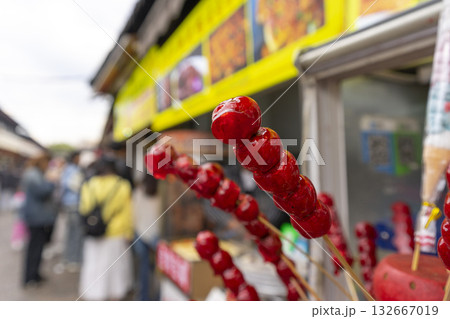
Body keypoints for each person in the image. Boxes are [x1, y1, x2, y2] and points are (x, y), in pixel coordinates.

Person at [78, 156, 133, 300]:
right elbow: (127, 211)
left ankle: (94, 294)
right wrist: (129, 232)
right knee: (116, 266)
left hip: (93, 231)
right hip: (117, 231)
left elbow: (84, 209)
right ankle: (115, 293)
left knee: (93, 263)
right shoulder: (123, 185)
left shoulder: (88, 185)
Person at [21, 152, 56, 287]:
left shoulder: (35, 173)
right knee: (34, 248)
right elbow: (41, 192)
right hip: (36, 217)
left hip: (39, 217)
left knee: (38, 247)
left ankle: (35, 274)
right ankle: (30, 277)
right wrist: (51, 182)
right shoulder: (33, 174)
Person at [132, 173, 162, 300]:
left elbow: (133, 214)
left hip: (140, 234)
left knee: (143, 272)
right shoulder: (162, 193)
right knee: (160, 273)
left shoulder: (138, 192)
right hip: (157, 236)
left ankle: (143, 298)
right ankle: (157, 298)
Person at [60, 151, 84, 271]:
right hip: (74, 204)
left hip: (69, 204)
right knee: (76, 232)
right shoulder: (73, 170)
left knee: (71, 232)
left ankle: (69, 257)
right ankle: (74, 259)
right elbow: (73, 185)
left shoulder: (67, 169)